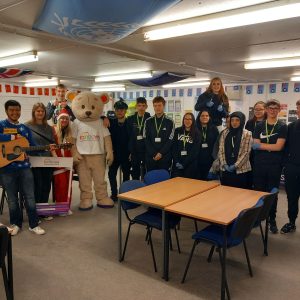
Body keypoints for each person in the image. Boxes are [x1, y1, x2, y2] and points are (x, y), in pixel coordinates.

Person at [0, 100, 45, 235]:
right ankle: (15, 223)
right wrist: (13, 137)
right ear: (7, 111)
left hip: (24, 167)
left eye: (17, 110)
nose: (15, 113)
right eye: (12, 110)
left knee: (30, 197)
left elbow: (31, 146)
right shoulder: (2, 125)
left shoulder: (25, 128)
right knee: (12, 198)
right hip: (6, 168)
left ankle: (33, 224)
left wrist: (45, 149)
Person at [252, 99, 287, 234]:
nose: (272, 110)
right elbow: (255, 142)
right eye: (270, 108)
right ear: (266, 110)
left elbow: (279, 147)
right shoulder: (260, 125)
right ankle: (257, 218)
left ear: (279, 110)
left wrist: (261, 146)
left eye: (275, 108)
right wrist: (267, 147)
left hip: (274, 165)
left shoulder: (282, 126)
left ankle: (272, 219)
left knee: (272, 193)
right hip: (260, 164)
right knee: (258, 192)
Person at [26, 103, 56, 221]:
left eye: (42, 111)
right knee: (37, 187)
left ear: (45, 113)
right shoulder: (26, 126)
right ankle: (35, 213)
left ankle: (43, 211)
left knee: (46, 186)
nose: (40, 113)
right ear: (34, 112)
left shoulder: (49, 128)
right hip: (34, 161)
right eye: (37, 111)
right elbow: (24, 143)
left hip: (47, 160)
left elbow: (52, 143)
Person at [280, 100, 300, 233]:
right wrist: (286, 165)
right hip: (293, 168)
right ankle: (291, 222)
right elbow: (285, 148)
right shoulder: (291, 126)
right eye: (299, 107)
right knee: (292, 197)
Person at [218, 111, 252, 189]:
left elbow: (246, 153)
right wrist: (224, 164)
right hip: (226, 169)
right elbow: (221, 149)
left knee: (239, 194)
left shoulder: (247, 134)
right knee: (226, 191)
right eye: (232, 120)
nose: (234, 122)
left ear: (242, 121)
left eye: (237, 120)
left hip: (240, 170)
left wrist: (235, 166)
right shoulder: (225, 133)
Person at [144, 96, 175, 172]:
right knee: (151, 181)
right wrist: (154, 154)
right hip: (151, 157)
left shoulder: (170, 121)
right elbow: (146, 138)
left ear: (163, 106)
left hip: (165, 157)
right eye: (155, 105)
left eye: (159, 105)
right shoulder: (148, 121)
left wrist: (161, 153)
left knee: (164, 181)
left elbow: (170, 139)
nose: (157, 108)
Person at [108, 100, 131, 202]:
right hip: (114, 154)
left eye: (122, 110)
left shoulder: (130, 123)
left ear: (125, 111)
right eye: (117, 110)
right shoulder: (110, 122)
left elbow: (132, 139)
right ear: (115, 111)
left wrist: (131, 153)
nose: (119, 112)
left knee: (126, 175)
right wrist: (104, 117)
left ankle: (125, 194)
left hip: (127, 154)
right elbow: (99, 118)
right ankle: (114, 194)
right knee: (111, 174)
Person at [52, 109, 73, 214]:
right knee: (61, 185)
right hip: (58, 162)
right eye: (62, 118)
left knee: (69, 185)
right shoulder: (53, 130)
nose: (64, 120)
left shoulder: (69, 132)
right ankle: (60, 208)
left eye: (66, 118)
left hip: (68, 162)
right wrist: (56, 159)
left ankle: (66, 207)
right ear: (58, 119)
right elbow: (51, 148)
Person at [127, 97, 151, 180]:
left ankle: (145, 191)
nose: (141, 108)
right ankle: (136, 190)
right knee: (135, 173)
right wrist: (130, 151)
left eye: (143, 106)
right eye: (139, 105)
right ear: (136, 107)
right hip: (135, 151)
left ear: (146, 107)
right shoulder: (130, 119)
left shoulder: (149, 119)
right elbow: (129, 136)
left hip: (146, 151)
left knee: (145, 172)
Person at [171, 113, 200, 179]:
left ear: (193, 121)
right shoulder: (177, 131)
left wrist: (184, 164)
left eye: (190, 119)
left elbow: (195, 152)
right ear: (183, 120)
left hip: (190, 166)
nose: (187, 121)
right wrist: (176, 161)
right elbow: (174, 148)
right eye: (186, 119)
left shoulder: (197, 133)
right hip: (177, 164)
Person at [245, 101, 266, 187]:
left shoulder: (268, 123)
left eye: (260, 109)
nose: (257, 111)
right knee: (250, 179)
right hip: (250, 153)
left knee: (260, 181)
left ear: (265, 110)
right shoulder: (250, 122)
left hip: (262, 153)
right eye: (256, 109)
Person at [196, 110, 219, 180]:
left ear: (209, 117)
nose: (204, 117)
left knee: (209, 181)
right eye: (202, 116)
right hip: (197, 159)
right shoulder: (195, 128)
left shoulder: (214, 128)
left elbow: (217, 144)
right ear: (199, 117)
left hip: (210, 159)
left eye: (206, 116)